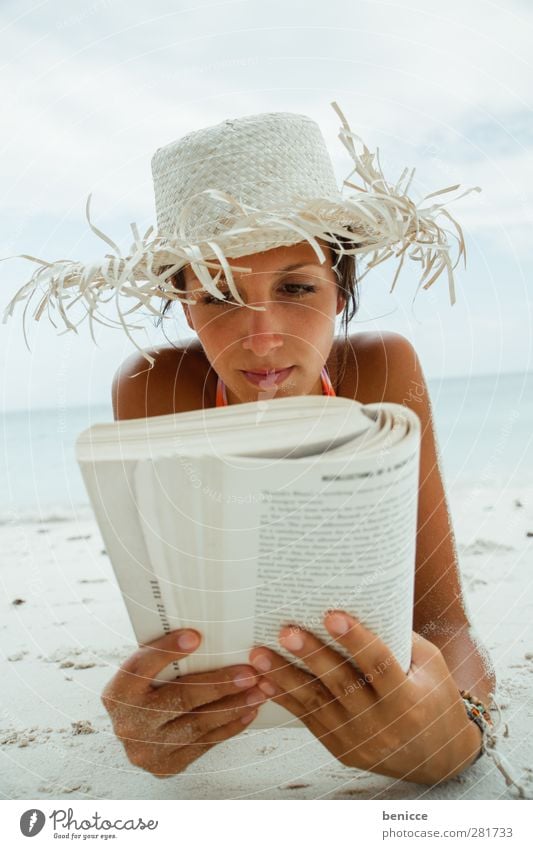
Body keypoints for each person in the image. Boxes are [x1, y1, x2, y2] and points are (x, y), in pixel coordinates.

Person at [3, 102, 502, 786]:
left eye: (296, 287)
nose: (261, 335)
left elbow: (443, 622)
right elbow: (173, 633)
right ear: (184, 303)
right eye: (217, 294)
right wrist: (154, 713)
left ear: (339, 288)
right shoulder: (154, 390)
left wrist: (461, 729)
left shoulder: (380, 373)